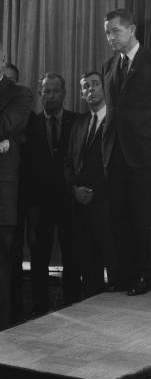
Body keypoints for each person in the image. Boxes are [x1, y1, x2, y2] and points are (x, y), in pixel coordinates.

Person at [102, 9, 151, 295]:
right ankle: (123, 273)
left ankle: (145, 274)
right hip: (115, 154)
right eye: (107, 33)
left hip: (144, 155)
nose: (110, 37)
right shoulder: (108, 66)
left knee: (143, 218)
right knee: (119, 216)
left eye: (115, 31)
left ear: (131, 30)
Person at [25, 73, 78, 314]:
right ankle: (39, 308)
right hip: (39, 203)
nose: (51, 95)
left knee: (72, 256)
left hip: (70, 201)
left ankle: (73, 304)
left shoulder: (77, 122)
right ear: (40, 93)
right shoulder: (29, 123)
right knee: (38, 258)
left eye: (56, 91)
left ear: (64, 93)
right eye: (46, 91)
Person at [65, 71, 115, 297]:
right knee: (88, 267)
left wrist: (97, 192)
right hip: (80, 205)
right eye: (85, 87)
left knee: (114, 267)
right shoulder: (79, 122)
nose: (90, 90)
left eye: (95, 85)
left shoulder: (116, 120)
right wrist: (75, 190)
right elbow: (69, 162)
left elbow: (119, 164)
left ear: (105, 88)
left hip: (108, 204)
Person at [0, 64, 32, 329]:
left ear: (2, 59)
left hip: (2, 196)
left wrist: (6, 133)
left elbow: (9, 123)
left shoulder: (20, 93)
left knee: (3, 265)